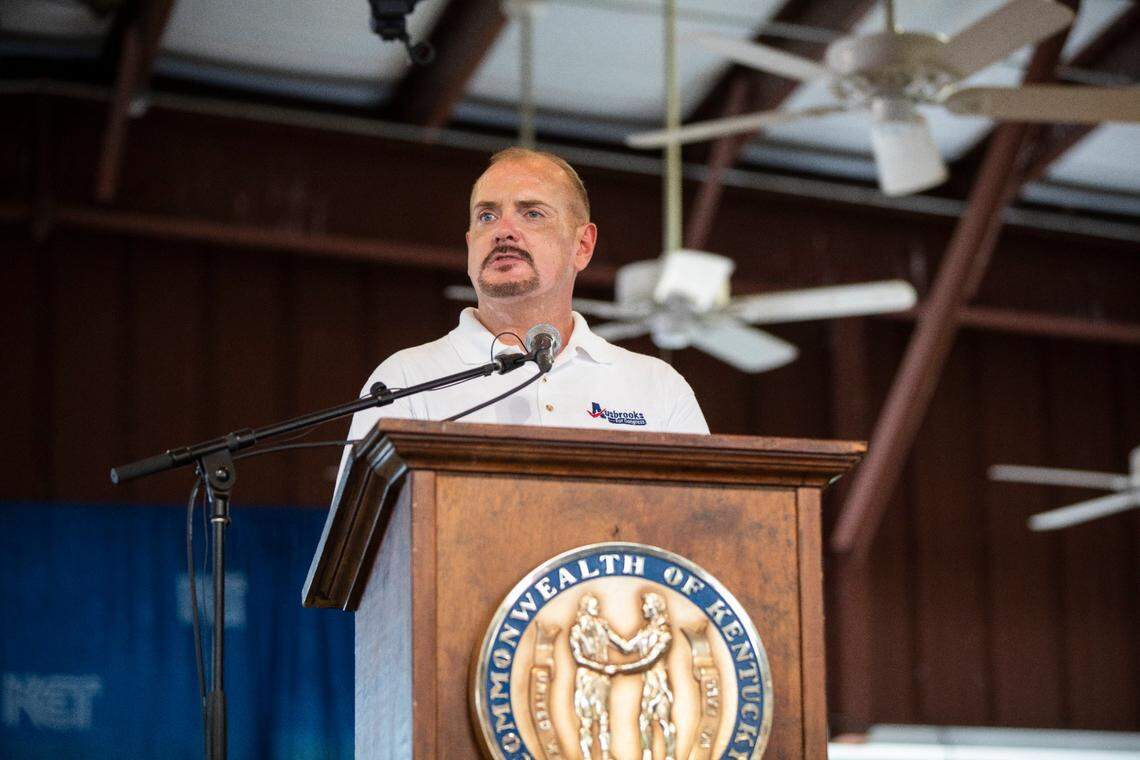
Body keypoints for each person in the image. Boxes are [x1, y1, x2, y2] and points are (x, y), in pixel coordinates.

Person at [340, 147, 708, 449]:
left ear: (582, 245)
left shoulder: (657, 387)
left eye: (532, 213)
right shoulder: (404, 380)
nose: (503, 232)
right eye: (487, 216)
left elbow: (706, 527)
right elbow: (366, 535)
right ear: (470, 245)